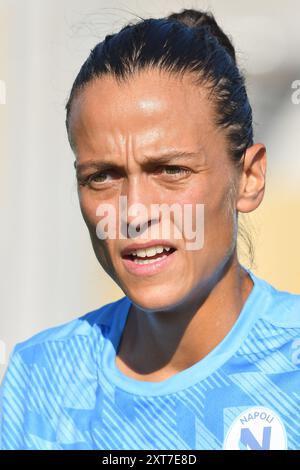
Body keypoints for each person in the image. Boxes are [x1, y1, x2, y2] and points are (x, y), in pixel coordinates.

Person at [1, 8, 300, 451]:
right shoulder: (41, 379)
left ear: (249, 178)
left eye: (171, 169)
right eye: (102, 176)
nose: (134, 211)